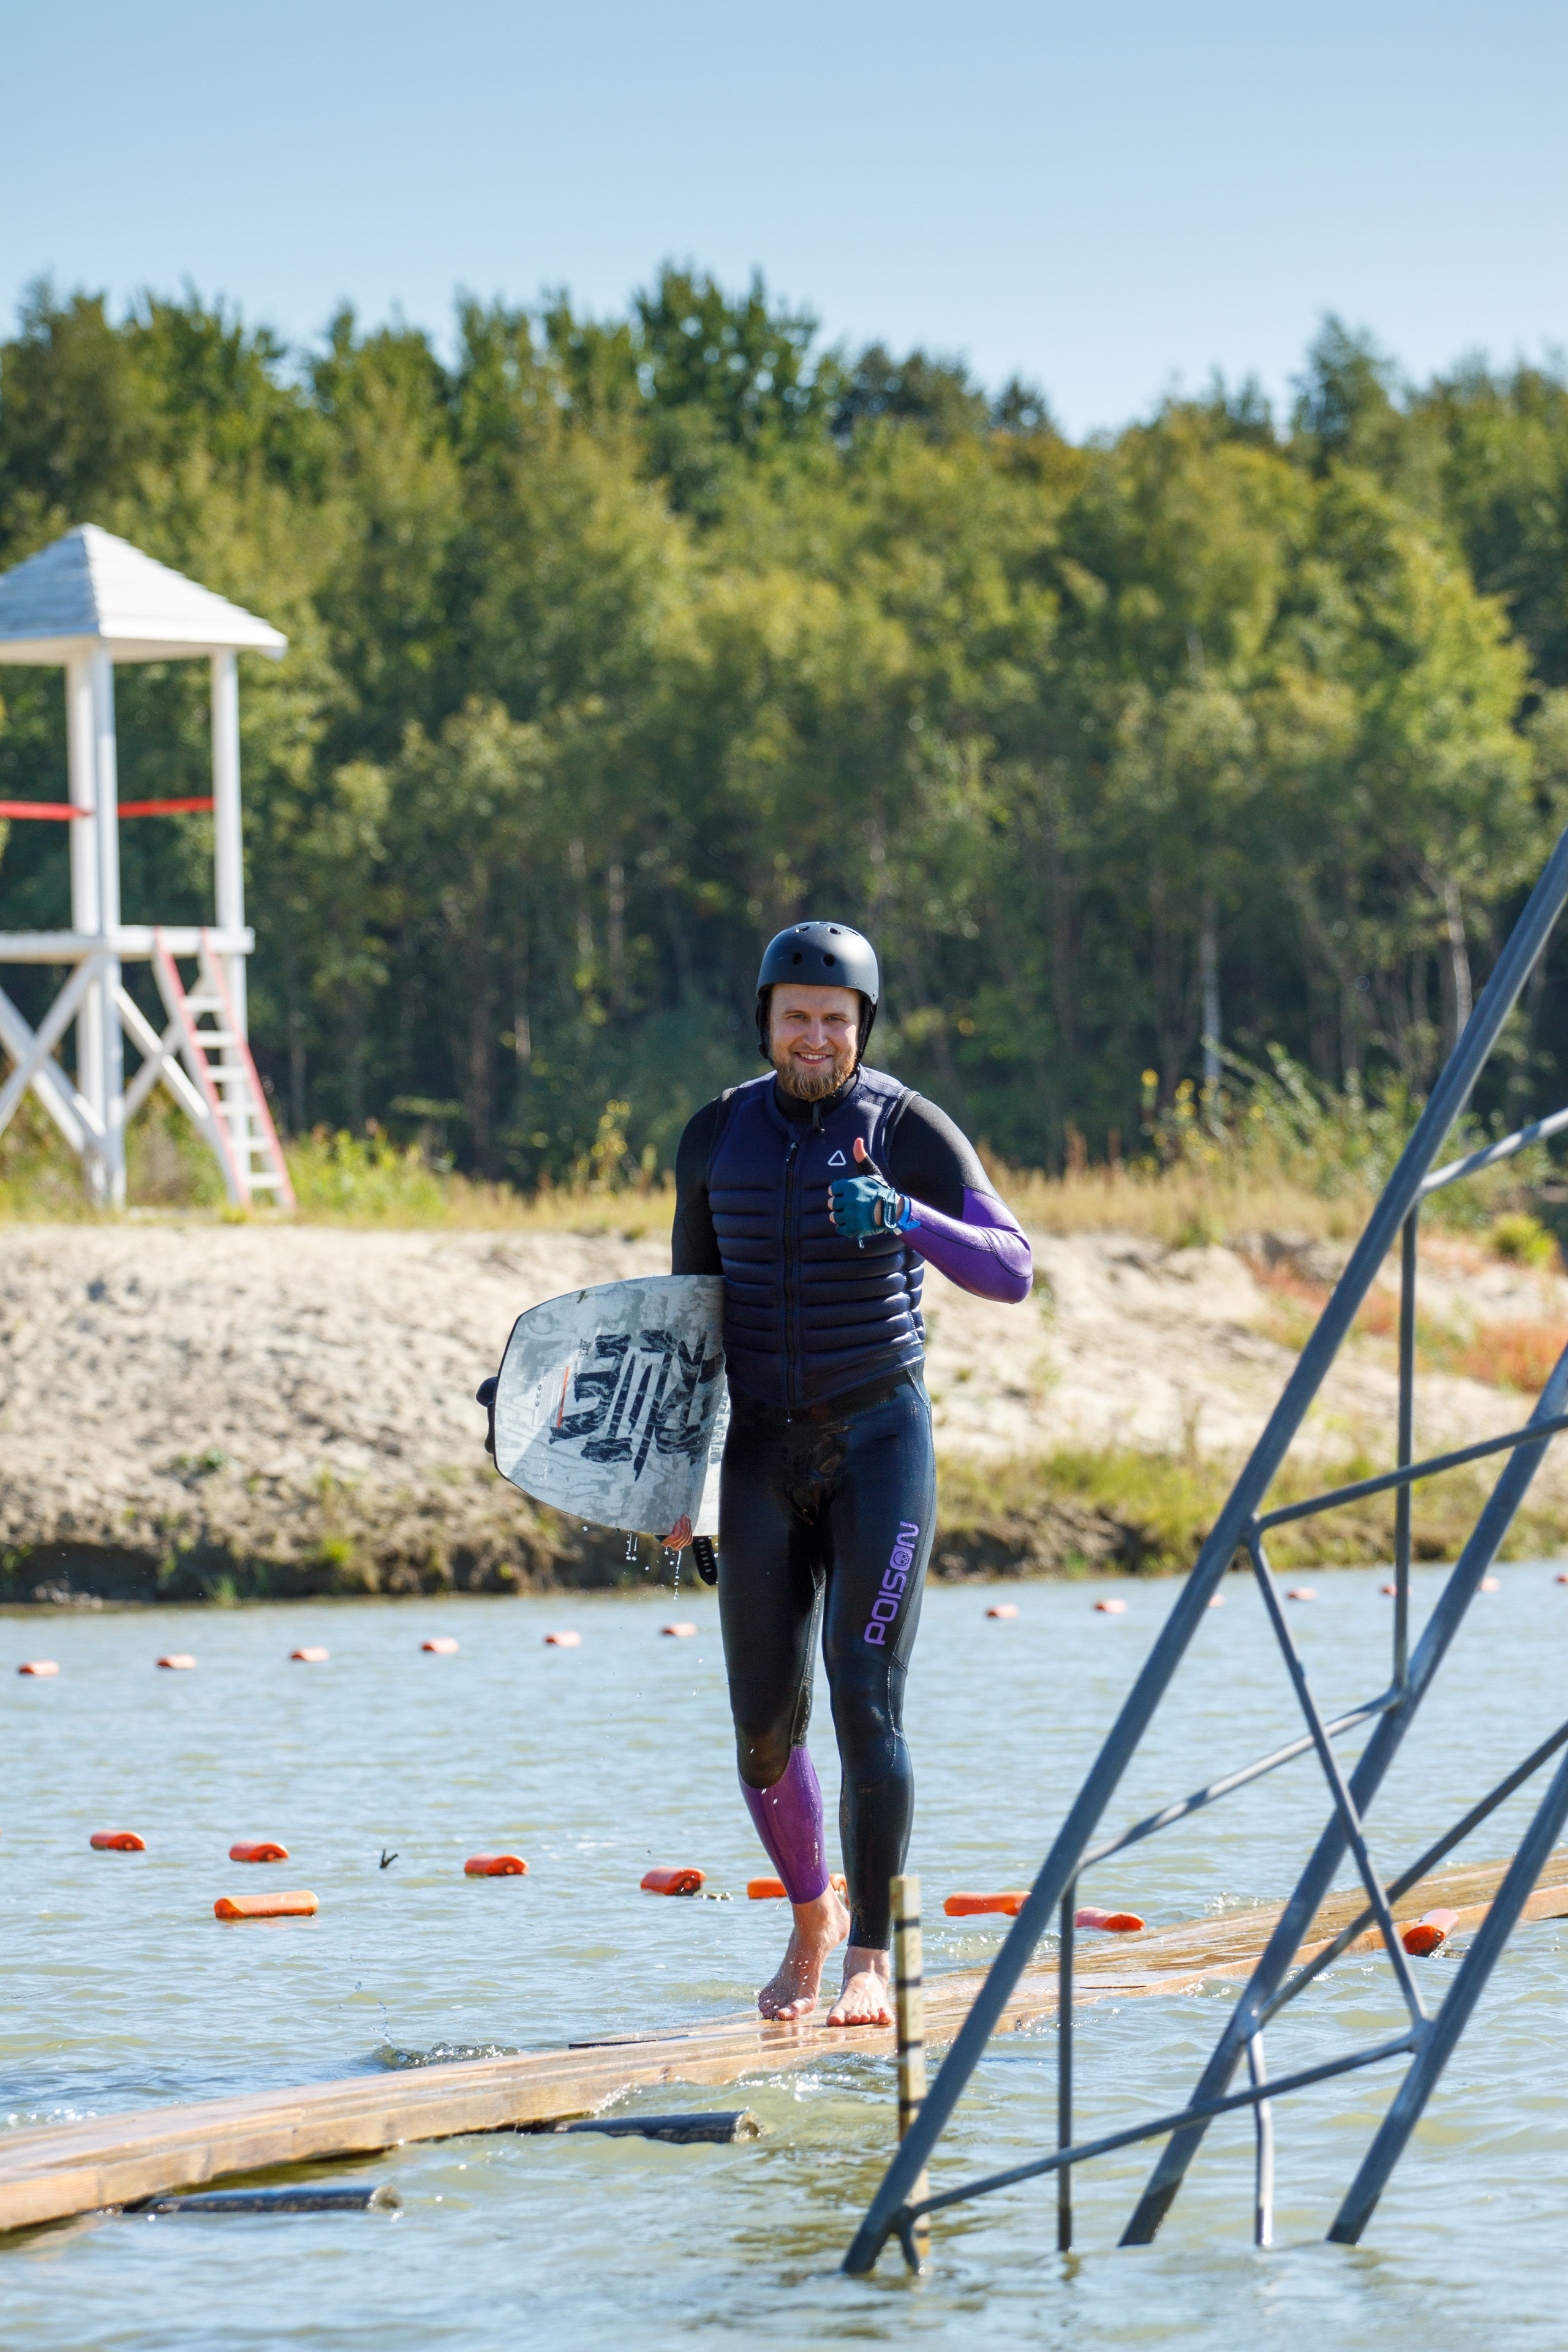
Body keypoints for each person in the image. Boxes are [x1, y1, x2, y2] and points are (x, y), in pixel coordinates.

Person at [664, 921, 1032, 2026]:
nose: (816, 1036)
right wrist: (675, 1487)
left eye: (836, 1019)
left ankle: (870, 1954)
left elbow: (1013, 1270)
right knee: (762, 1727)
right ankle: (811, 1914)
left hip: (880, 1441)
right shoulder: (715, 1134)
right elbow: (690, 1321)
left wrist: (910, 1218)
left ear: (862, 1027)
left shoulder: (904, 1128)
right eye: (797, 1017)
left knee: (865, 1696)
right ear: (767, 1022)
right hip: (761, 1454)